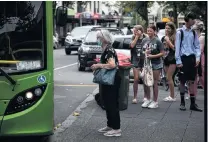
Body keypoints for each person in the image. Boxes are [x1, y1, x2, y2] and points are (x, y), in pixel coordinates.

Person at [91, 29, 122, 137]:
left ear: (104, 39)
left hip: (112, 80)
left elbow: (112, 65)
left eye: (99, 38)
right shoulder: (105, 49)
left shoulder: (109, 49)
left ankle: (116, 129)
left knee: (112, 103)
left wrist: (98, 66)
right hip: (108, 80)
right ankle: (110, 125)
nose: (97, 40)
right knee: (107, 102)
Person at [175, 12, 202, 112]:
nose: (194, 21)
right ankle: (182, 103)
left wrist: (198, 57)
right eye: (192, 19)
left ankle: (192, 104)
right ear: (187, 20)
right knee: (182, 81)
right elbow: (177, 48)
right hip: (183, 59)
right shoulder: (180, 32)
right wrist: (178, 61)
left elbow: (197, 46)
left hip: (192, 58)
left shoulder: (193, 32)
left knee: (192, 81)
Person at [141, 25, 164, 108]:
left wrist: (152, 56)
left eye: (151, 31)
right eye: (148, 31)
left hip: (156, 63)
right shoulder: (144, 40)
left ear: (154, 31)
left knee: (154, 82)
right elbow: (142, 51)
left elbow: (162, 53)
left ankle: (155, 101)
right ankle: (148, 99)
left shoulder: (158, 41)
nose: (149, 32)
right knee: (146, 82)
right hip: (147, 63)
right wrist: (145, 53)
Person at [130, 25, 147, 104]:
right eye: (134, 30)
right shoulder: (134, 37)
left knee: (145, 79)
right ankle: (135, 97)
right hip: (135, 60)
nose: (134, 32)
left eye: (136, 30)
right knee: (136, 79)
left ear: (140, 31)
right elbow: (132, 45)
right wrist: (136, 37)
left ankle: (145, 96)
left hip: (144, 60)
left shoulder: (145, 37)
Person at [188, 20, 205, 97]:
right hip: (192, 57)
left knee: (201, 76)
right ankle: (192, 93)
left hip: (199, 58)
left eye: (194, 29)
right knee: (192, 77)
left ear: (198, 29)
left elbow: (200, 50)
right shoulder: (192, 37)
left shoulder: (201, 37)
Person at [162, 22, 177, 102]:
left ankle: (172, 96)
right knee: (168, 78)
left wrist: (168, 41)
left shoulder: (174, 37)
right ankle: (171, 95)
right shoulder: (164, 37)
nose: (167, 29)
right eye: (166, 28)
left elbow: (175, 48)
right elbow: (163, 48)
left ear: (172, 29)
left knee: (169, 77)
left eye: (169, 28)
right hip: (166, 58)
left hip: (173, 59)